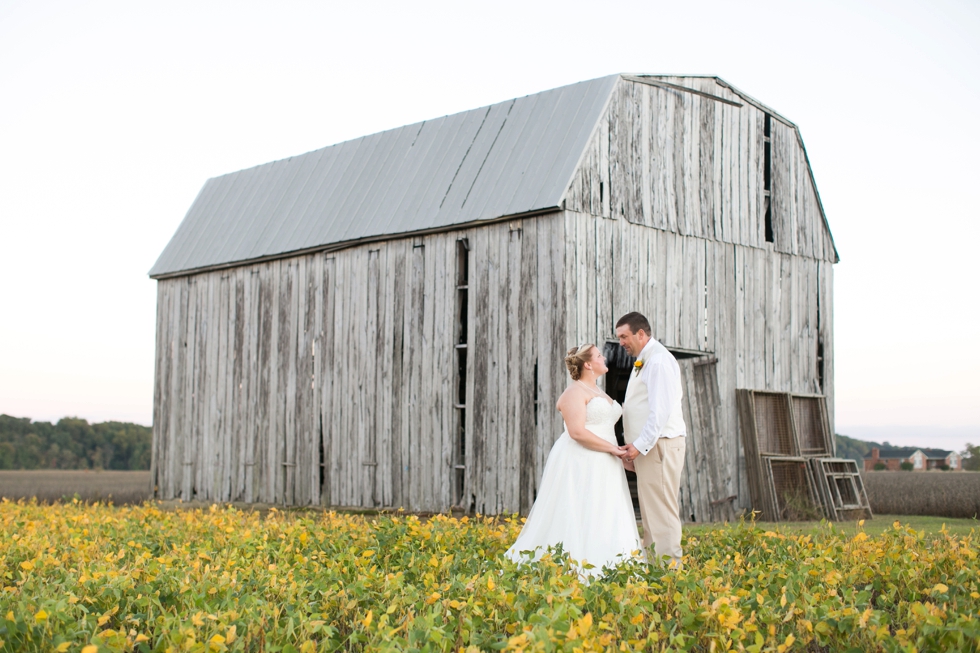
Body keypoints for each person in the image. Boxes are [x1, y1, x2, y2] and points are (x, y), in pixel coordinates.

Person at [505, 344, 642, 578]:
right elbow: (577, 432)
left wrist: (618, 453)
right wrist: (613, 449)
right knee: (583, 508)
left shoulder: (600, 393)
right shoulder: (574, 393)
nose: (604, 357)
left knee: (606, 509)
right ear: (588, 364)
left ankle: (612, 561)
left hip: (605, 460)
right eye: (599, 355)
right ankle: (576, 565)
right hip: (582, 459)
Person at [615, 312, 687, 568]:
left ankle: (670, 572)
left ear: (641, 334)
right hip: (651, 448)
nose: (621, 342)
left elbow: (660, 411)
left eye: (624, 336)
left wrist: (639, 445)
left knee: (662, 512)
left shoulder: (657, 361)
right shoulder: (644, 360)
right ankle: (655, 567)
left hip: (660, 445)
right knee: (651, 512)